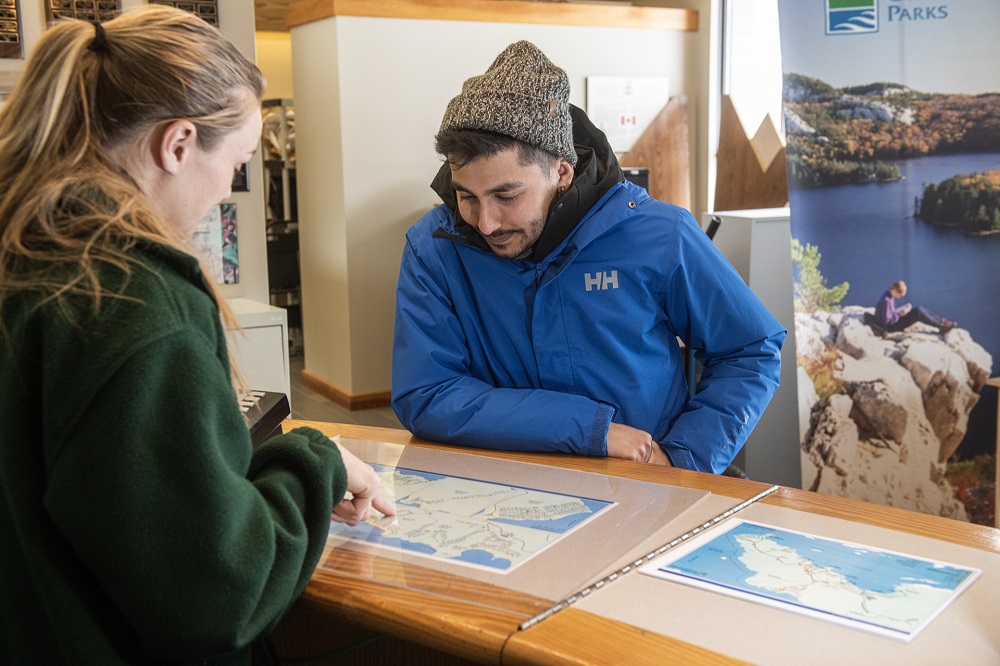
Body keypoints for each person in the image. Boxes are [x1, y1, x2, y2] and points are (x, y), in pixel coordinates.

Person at [0, 7, 393, 663]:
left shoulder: (26, 252)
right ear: (177, 145)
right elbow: (216, 596)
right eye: (238, 164)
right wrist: (315, 464)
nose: (224, 193)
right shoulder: (133, 302)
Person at [391, 41, 785, 474]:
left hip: (645, 486)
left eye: (507, 196)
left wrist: (685, 458)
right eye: (466, 196)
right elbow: (427, 393)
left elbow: (750, 349)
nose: (485, 223)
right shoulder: (433, 247)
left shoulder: (660, 233)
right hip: (499, 493)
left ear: (562, 171)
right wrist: (592, 429)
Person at [874, 280, 955, 333]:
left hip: (894, 321)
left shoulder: (888, 295)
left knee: (919, 308)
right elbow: (887, 321)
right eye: (899, 295)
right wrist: (900, 314)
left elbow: (891, 312)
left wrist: (903, 308)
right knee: (918, 313)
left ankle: (940, 321)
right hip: (891, 327)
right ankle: (940, 326)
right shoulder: (886, 301)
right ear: (895, 290)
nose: (898, 297)